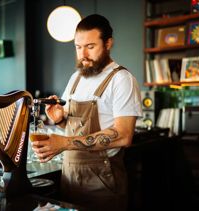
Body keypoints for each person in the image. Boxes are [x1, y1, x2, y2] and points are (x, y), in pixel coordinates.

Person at [32, 14, 142, 211]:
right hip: (70, 177)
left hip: (103, 181)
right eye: (78, 47)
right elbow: (75, 125)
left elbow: (124, 135)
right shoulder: (76, 78)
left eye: (90, 47)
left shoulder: (122, 79)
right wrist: (59, 120)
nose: (83, 54)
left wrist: (64, 143)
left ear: (108, 43)